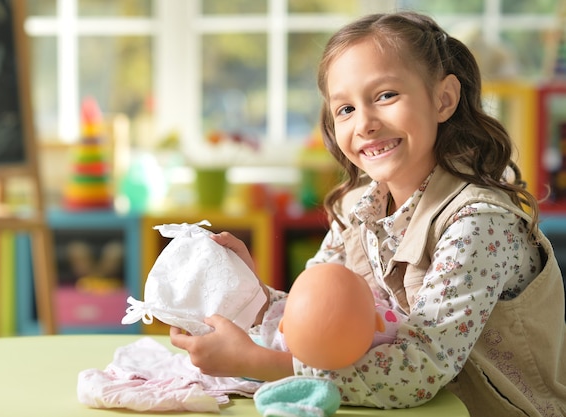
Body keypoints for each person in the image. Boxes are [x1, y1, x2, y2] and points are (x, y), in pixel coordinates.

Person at [170, 11, 566, 417]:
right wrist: (253, 295)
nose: (365, 124)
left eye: (385, 96)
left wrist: (255, 363)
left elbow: (420, 367)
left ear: (444, 99)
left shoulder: (478, 222)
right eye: (345, 109)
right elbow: (322, 327)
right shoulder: (357, 209)